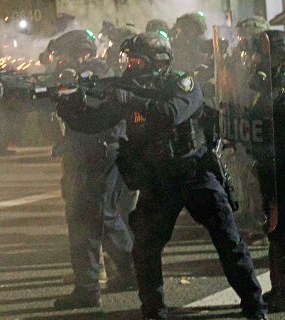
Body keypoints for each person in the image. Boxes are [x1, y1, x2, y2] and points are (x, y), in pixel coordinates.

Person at [56, 31, 267, 320]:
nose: (130, 67)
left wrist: (130, 97)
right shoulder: (127, 90)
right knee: (145, 249)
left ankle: (254, 305)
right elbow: (95, 121)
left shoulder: (182, 82)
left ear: (158, 62)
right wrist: (71, 105)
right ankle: (153, 311)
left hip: (194, 173)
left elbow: (171, 112)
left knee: (229, 243)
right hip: (157, 180)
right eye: (129, 62)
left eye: (137, 62)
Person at [39, 29, 138, 311]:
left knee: (93, 218)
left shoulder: (100, 75)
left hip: (99, 154)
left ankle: (90, 287)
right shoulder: (72, 77)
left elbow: (98, 109)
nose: (60, 61)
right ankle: (123, 275)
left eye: (66, 55)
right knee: (95, 217)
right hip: (81, 154)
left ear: (83, 53)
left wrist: (71, 85)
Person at [246, 29, 285, 313]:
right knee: (275, 230)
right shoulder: (269, 82)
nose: (256, 59)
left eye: (261, 53)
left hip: (282, 164)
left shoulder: (279, 83)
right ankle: (279, 289)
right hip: (271, 164)